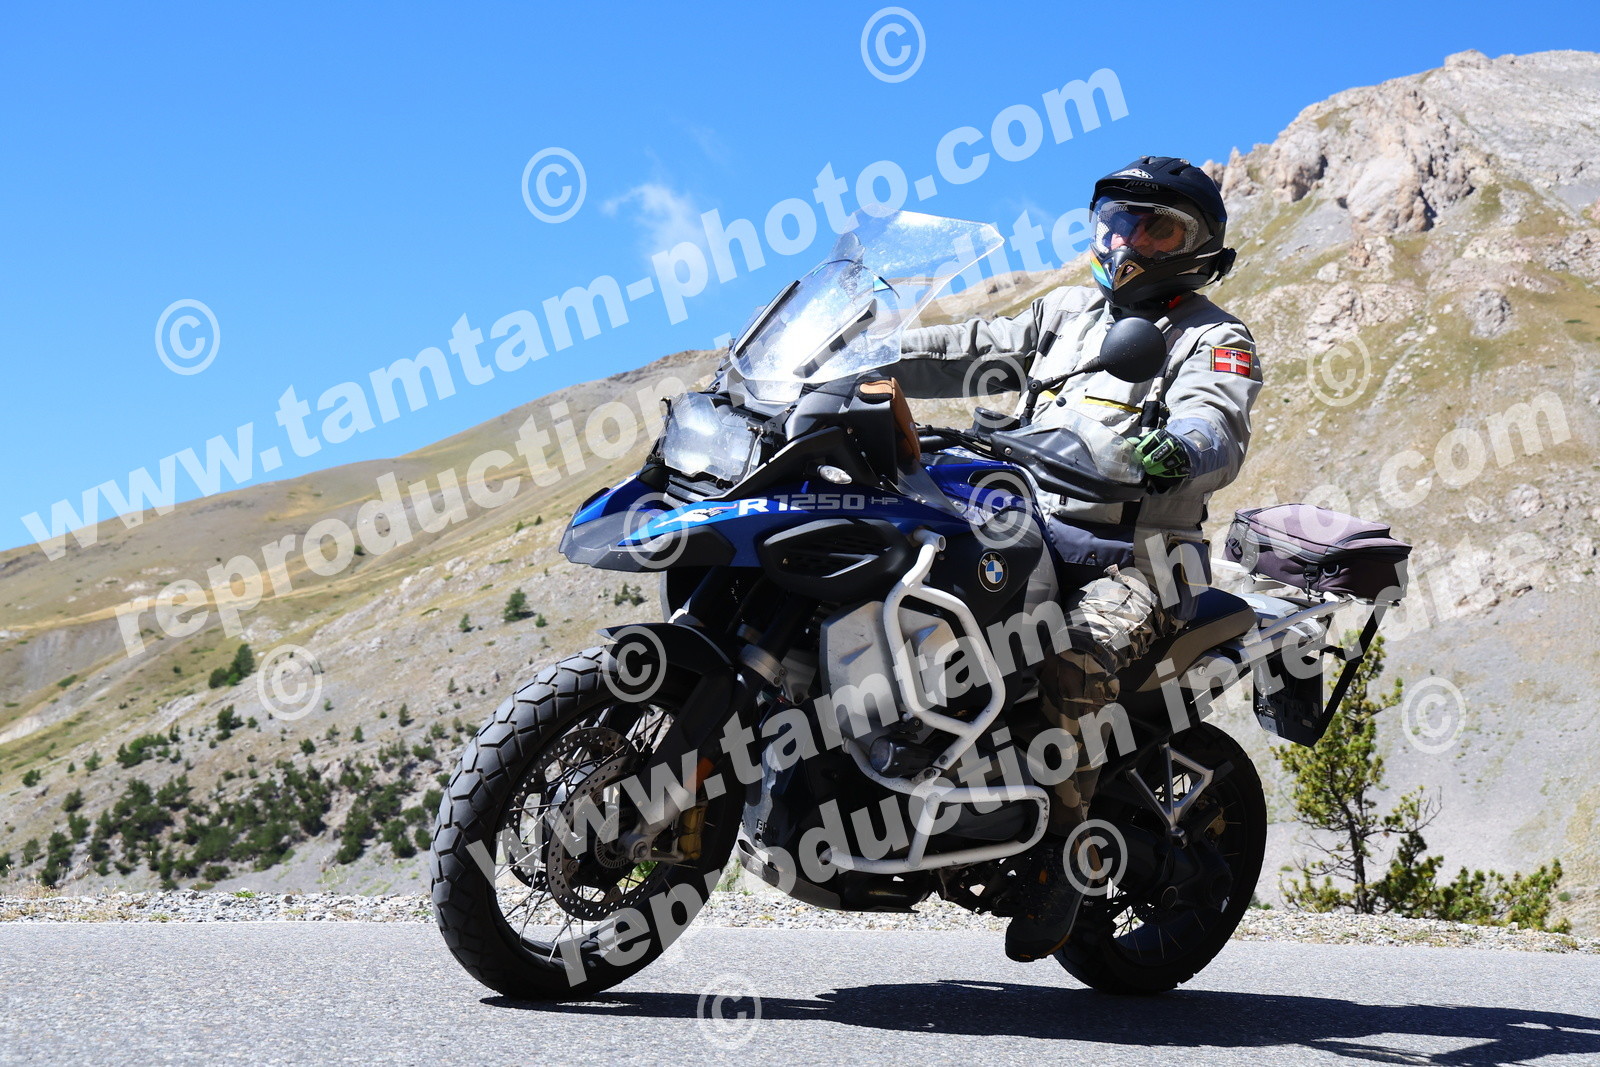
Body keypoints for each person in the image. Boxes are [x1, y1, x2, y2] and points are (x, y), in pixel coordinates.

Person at [889, 156, 1263, 961]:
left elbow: (1219, 423)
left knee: (1072, 656)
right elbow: (967, 347)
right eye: (1119, 222)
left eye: (1156, 230)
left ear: (1197, 246)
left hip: (1142, 558)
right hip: (1027, 528)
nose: (1128, 241)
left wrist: (1180, 448)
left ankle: (1063, 854)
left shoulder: (1213, 336)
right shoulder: (1065, 312)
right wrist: (865, 355)